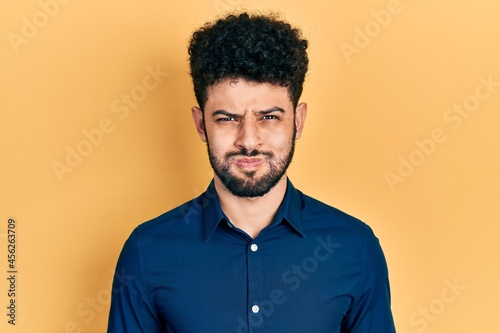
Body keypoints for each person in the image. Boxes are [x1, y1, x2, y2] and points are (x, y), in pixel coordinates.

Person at [107, 11, 396, 333]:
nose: (248, 140)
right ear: (201, 124)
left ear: (297, 121)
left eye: (269, 117)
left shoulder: (354, 247)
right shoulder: (148, 250)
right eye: (227, 118)